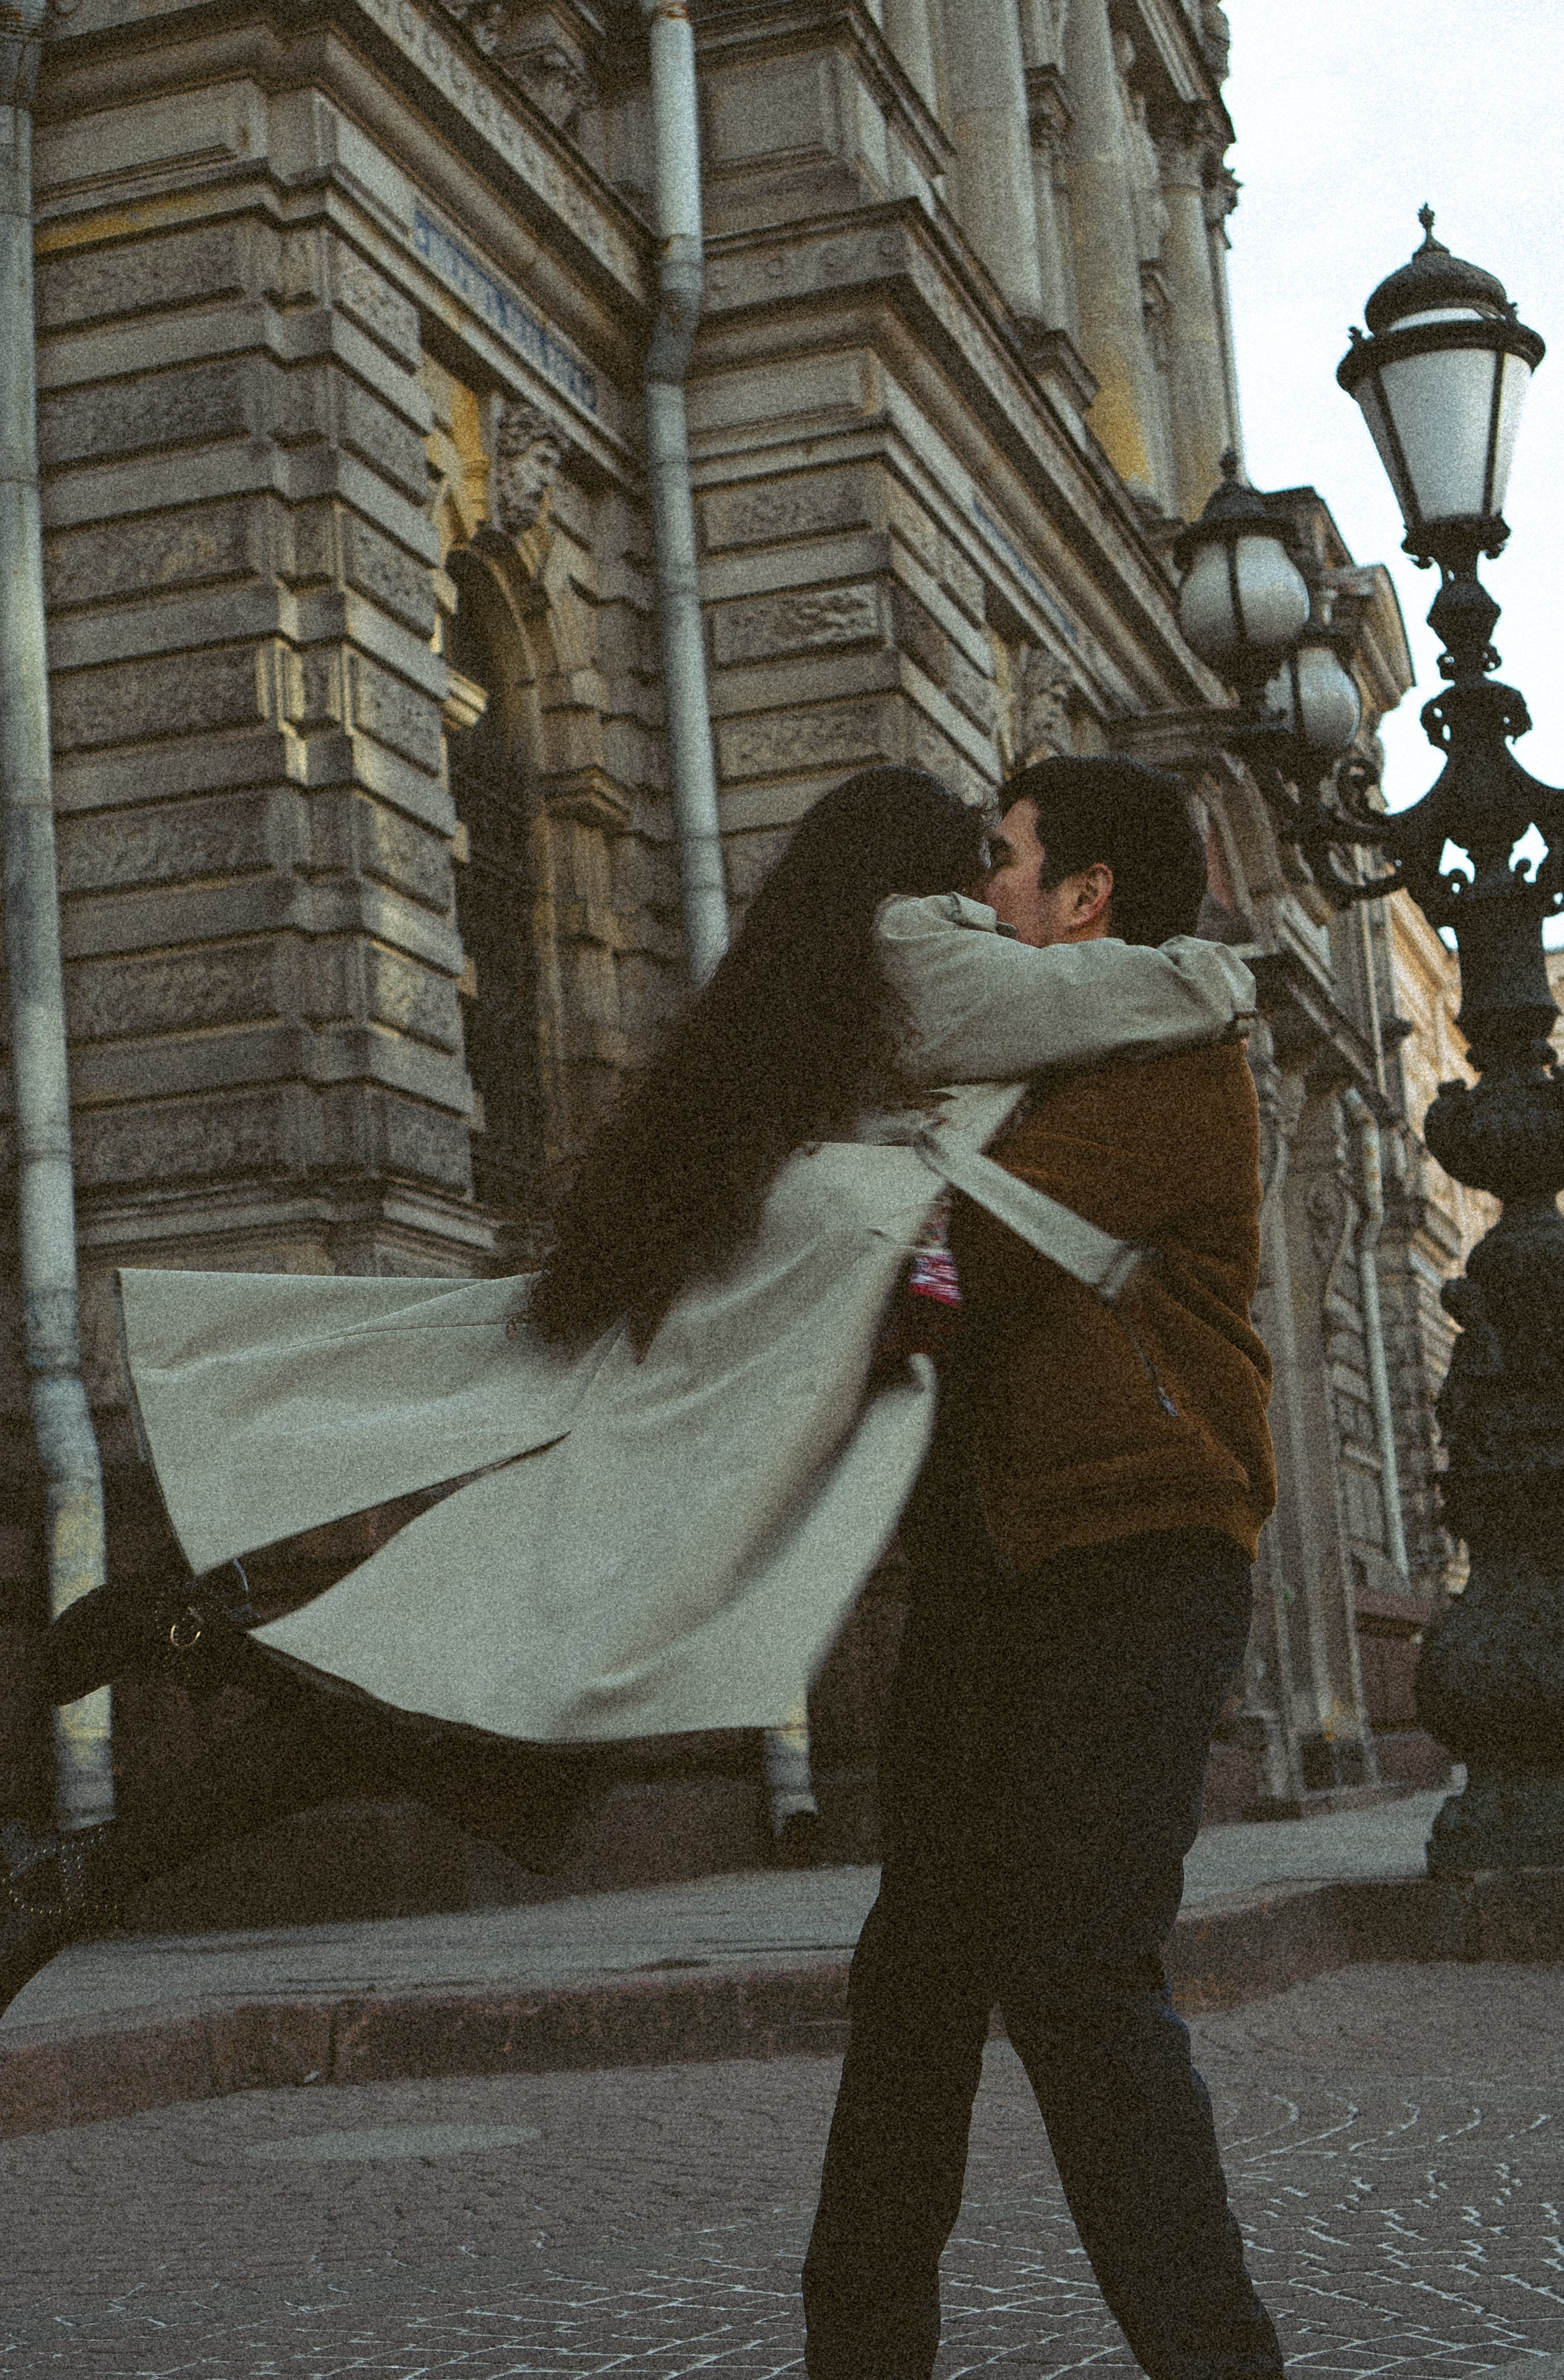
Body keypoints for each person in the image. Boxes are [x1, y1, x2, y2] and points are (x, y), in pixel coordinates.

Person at [1, 765, 1255, 2029]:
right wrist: (1222, 972)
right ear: (917, 873)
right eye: (977, 857)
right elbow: (1134, 991)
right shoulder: (919, 949)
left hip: (701, 1403)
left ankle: (140, 1746)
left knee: (492, 1755)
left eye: (1007, 857)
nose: (990, 885)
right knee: (483, 1735)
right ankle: (150, 1719)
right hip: (715, 1437)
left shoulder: (811, 982)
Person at [800, 755, 1283, 2380]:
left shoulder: (1168, 1056)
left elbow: (959, 1269)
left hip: (1139, 1555)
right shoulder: (1024, 1060)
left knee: (1075, 1965)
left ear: (1085, 900)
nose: (978, 893)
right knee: (915, 1982)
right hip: (989, 1564)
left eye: (1002, 866)